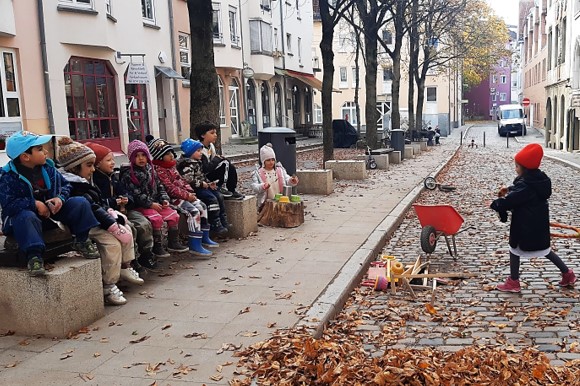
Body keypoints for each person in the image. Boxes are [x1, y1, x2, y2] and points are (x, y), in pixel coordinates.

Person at [56, 137, 144, 305]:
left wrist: (111, 213)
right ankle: (108, 285)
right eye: (89, 165)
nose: (93, 170)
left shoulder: (86, 181)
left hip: (98, 220)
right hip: (86, 225)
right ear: (74, 167)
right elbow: (92, 207)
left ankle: (125, 267)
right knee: (112, 243)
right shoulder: (75, 186)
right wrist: (111, 224)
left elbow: (99, 201)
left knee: (125, 228)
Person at [0, 131, 100, 276]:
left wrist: (60, 198)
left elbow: (66, 185)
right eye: (39, 149)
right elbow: (9, 205)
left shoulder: (48, 168)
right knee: (26, 216)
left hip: (50, 213)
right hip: (22, 220)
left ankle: (82, 240)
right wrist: (34, 204)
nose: (45, 151)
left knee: (80, 203)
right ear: (25, 157)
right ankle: (34, 256)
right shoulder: (8, 177)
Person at [490, 143, 576, 293]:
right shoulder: (537, 181)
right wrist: (509, 189)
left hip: (525, 225)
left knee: (514, 249)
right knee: (545, 250)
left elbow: (513, 200)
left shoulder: (526, 185)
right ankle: (567, 274)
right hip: (538, 224)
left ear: (524, 168)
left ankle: (514, 282)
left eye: (517, 166)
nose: (515, 169)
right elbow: (520, 191)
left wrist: (496, 203)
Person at [86, 142, 158, 270]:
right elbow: (99, 201)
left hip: (125, 209)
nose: (113, 163)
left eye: (113, 160)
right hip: (109, 213)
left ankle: (146, 254)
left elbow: (126, 192)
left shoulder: (113, 177)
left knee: (144, 223)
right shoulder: (95, 181)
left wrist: (127, 199)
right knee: (132, 228)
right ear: (97, 164)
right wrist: (114, 202)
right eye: (108, 160)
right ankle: (132, 260)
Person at [146, 135, 217, 256]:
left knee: (202, 206)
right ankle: (194, 243)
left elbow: (181, 180)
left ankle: (204, 237)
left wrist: (189, 191)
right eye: (168, 154)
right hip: (172, 199)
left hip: (183, 195)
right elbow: (170, 188)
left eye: (172, 153)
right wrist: (186, 196)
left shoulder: (172, 166)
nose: (172, 156)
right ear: (160, 156)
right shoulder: (159, 169)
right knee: (193, 211)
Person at [119, 139, 188, 256]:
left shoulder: (151, 170)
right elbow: (136, 194)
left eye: (143, 155)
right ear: (131, 158)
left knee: (173, 215)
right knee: (156, 218)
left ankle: (173, 242)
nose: (141, 159)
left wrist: (164, 199)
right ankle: (157, 246)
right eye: (137, 156)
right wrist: (150, 204)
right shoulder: (129, 174)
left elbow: (160, 186)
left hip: (155, 203)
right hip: (141, 206)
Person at [177, 138, 229, 236]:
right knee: (211, 198)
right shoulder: (187, 165)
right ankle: (215, 222)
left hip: (202, 186)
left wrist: (209, 183)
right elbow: (188, 180)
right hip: (195, 189)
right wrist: (202, 184)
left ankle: (223, 219)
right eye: (198, 151)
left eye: (201, 150)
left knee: (219, 196)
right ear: (190, 152)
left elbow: (202, 176)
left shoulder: (197, 162)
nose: (201, 153)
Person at [194, 121, 244, 200]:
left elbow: (214, 160)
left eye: (215, 133)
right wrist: (217, 160)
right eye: (212, 133)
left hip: (210, 172)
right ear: (203, 135)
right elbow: (205, 168)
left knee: (230, 166)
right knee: (225, 163)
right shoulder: (199, 150)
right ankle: (220, 187)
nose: (215, 135)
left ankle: (232, 190)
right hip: (203, 177)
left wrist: (219, 159)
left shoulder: (210, 146)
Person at [251, 143, 299, 212]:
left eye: (273, 160)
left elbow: (286, 179)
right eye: (268, 160)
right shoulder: (258, 173)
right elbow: (255, 187)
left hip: (281, 202)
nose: (271, 162)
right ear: (263, 161)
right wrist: (263, 186)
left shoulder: (280, 170)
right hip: (266, 205)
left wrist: (291, 181)